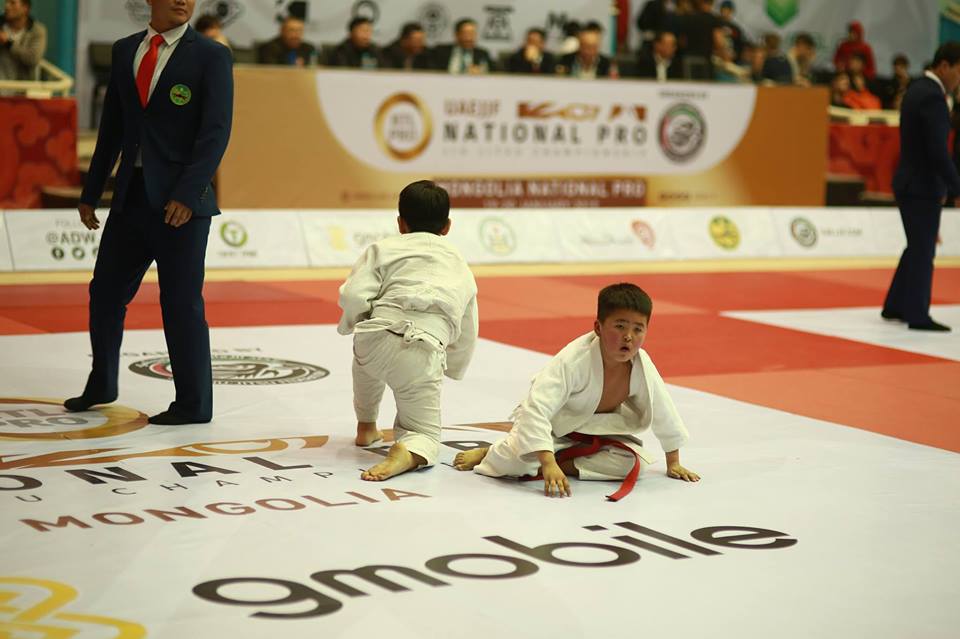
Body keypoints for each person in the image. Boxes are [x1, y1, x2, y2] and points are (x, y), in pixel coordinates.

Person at [65, 0, 233, 424]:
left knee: (181, 304)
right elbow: (112, 128)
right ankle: (102, 382)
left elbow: (215, 133)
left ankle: (194, 404)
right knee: (105, 293)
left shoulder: (211, 55)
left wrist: (187, 194)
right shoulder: (126, 50)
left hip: (182, 204)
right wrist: (92, 190)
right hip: (131, 196)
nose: (182, 1)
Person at [454, 283, 698, 500]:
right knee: (515, 464)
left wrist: (673, 462)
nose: (628, 337)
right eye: (620, 326)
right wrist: (546, 462)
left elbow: (662, 408)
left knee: (635, 464)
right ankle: (489, 452)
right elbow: (535, 409)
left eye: (638, 329)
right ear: (598, 327)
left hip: (596, 432)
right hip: (552, 428)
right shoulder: (573, 360)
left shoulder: (641, 366)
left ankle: (562, 464)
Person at [338, 181, 479, 481]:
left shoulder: (382, 249)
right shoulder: (459, 263)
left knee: (365, 364)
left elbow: (353, 295)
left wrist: (356, 324)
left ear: (401, 223)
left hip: (376, 334)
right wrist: (453, 366)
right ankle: (407, 450)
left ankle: (366, 426)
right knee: (424, 433)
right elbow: (467, 325)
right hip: (422, 348)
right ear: (447, 226)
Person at [882, 42, 960, 332]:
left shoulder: (917, 89)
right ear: (945, 66)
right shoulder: (933, 97)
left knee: (917, 245)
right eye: (959, 71)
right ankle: (917, 313)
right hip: (922, 185)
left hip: (911, 181)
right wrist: (956, 187)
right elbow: (938, 151)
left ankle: (895, 304)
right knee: (923, 249)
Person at [0, 0, 46, 82]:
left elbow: (32, 59)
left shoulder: (37, 31)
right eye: (6, 2)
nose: (7, 6)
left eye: (12, 3)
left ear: (25, 8)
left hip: (23, 86)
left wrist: (8, 43)